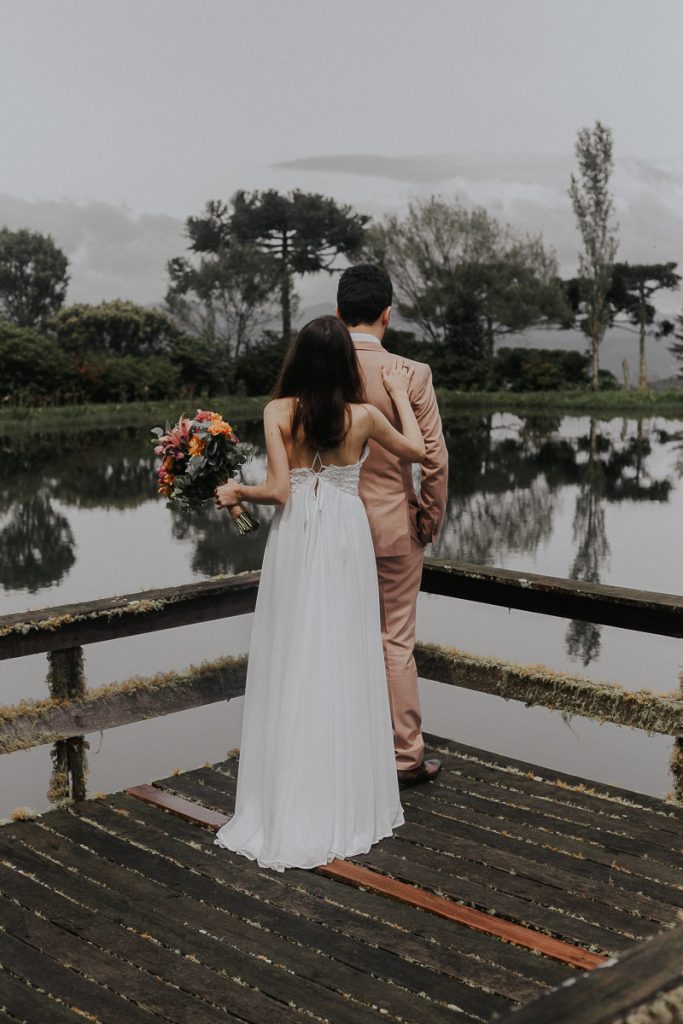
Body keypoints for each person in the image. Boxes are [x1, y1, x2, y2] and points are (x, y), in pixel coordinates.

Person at [212, 315, 426, 871]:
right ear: (345, 366)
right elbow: (420, 453)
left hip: (297, 537)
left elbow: (280, 492)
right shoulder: (365, 416)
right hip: (345, 536)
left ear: (298, 359)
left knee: (295, 651)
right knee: (344, 651)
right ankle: (343, 794)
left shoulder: (280, 412)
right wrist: (401, 396)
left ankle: (289, 792)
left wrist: (237, 491)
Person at [336, 264, 448, 788]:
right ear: (387, 314)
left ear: (338, 314)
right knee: (395, 640)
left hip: (330, 530)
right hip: (392, 528)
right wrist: (427, 517)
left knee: (337, 636)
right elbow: (435, 462)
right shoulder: (410, 373)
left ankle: (346, 747)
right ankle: (405, 757)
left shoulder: (320, 371)